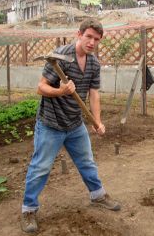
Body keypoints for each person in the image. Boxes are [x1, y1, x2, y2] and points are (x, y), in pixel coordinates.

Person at [21, 18, 121, 233]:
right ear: (79, 34)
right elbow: (40, 87)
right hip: (51, 123)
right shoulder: (61, 56)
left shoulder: (93, 63)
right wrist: (60, 91)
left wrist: (97, 121)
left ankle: (98, 195)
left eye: (96, 39)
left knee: (87, 162)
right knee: (41, 167)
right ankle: (29, 209)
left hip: (75, 124)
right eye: (89, 36)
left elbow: (94, 94)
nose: (92, 42)